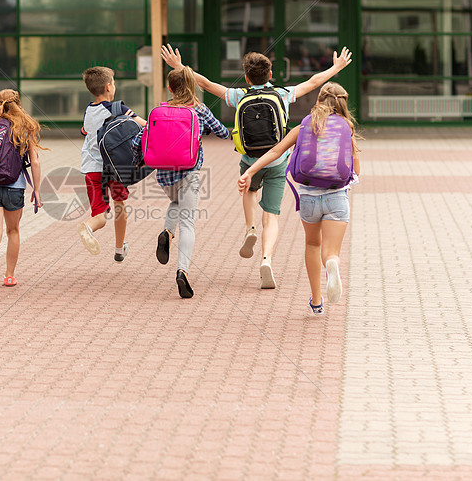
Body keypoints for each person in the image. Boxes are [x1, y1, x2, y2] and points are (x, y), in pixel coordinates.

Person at [160, 44, 353, 290]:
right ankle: (267, 259)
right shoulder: (282, 94)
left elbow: (206, 84)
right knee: (271, 215)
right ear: (270, 75)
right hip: (276, 161)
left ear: (247, 77)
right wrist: (335, 67)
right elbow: (313, 83)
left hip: (250, 160)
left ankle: (250, 228)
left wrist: (180, 67)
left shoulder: (239, 95)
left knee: (249, 190)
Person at [238, 82, 361, 314]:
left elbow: (275, 151)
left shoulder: (304, 126)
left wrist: (250, 171)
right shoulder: (347, 128)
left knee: (312, 244)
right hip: (336, 197)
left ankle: (316, 300)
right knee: (330, 251)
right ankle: (332, 263)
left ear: (320, 99)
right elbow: (355, 170)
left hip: (308, 199)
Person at [135, 66, 231, 299]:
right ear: (193, 86)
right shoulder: (199, 109)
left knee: (176, 204)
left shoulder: (159, 110)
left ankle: (167, 231)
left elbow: (140, 141)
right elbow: (222, 132)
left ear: (170, 88)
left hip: (164, 174)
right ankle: (182, 272)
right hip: (190, 171)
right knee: (188, 224)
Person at [0, 89, 45, 287]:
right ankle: (9, 275)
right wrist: (37, 190)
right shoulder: (24, 126)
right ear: (18, 104)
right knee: (13, 231)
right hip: (14, 186)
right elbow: (35, 161)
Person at [77, 66, 146, 261]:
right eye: (113, 83)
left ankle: (89, 227)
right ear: (108, 87)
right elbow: (145, 125)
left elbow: (85, 132)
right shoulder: (119, 108)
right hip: (115, 167)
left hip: (92, 169)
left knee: (100, 215)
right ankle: (119, 248)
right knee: (120, 205)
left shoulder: (88, 110)